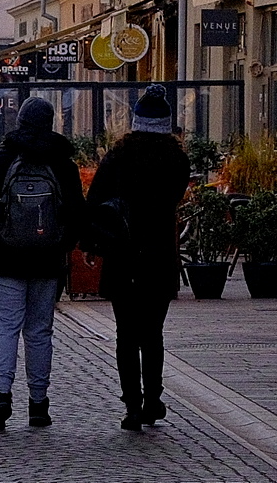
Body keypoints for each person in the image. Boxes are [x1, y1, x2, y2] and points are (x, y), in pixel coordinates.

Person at [0, 95, 84, 432]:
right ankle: (38, 403)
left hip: (6, 259)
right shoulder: (63, 164)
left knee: (4, 327)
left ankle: (1, 395)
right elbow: (77, 213)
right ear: (50, 124)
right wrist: (63, 244)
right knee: (39, 331)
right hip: (48, 260)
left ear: (18, 122)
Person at [86, 84, 193, 431]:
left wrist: (91, 244)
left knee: (126, 334)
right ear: (166, 123)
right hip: (159, 253)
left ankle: (131, 404)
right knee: (153, 333)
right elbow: (174, 199)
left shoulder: (117, 156)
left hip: (122, 252)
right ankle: (153, 399)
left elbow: (97, 201)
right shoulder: (176, 159)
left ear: (136, 121)